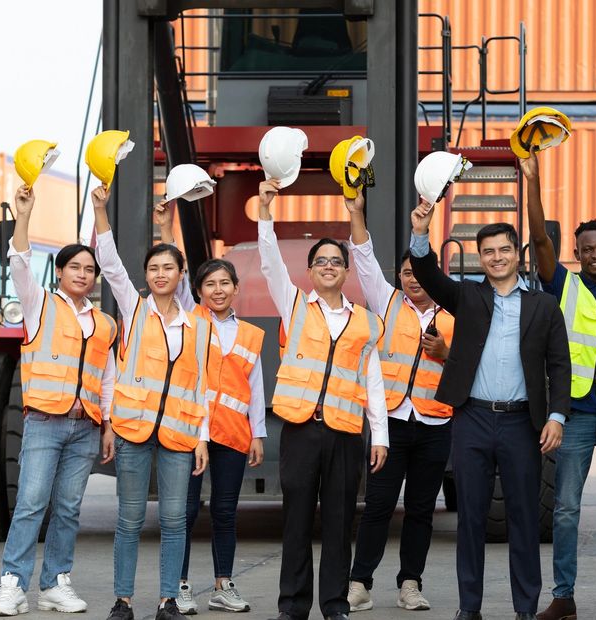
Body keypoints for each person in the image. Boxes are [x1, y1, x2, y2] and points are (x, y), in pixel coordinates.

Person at [408, 198, 569, 620]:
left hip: (522, 423)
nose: (496, 258)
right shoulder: (467, 297)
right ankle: (470, 608)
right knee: (471, 521)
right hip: (473, 419)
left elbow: (560, 365)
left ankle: (524, 610)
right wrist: (420, 233)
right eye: (488, 252)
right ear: (480, 258)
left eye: (504, 250)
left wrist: (556, 415)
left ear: (517, 254)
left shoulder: (544, 306)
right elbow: (427, 273)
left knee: (523, 521)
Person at [520, 152, 596, 620]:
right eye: (588, 248)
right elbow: (536, 238)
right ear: (577, 253)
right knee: (566, 510)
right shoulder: (563, 286)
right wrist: (532, 182)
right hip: (571, 415)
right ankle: (564, 597)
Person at [256, 180, 389, 620]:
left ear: (346, 272)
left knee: (338, 523)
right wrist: (266, 214)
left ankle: (334, 606)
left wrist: (380, 437)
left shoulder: (366, 322)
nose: (329, 266)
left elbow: (372, 380)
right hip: (301, 430)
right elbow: (271, 263)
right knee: (296, 522)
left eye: (337, 261)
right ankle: (292, 606)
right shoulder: (294, 306)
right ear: (310, 271)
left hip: (346, 434)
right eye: (321, 261)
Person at [0, 185, 118, 617]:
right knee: (31, 503)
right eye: (74, 267)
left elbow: (108, 377)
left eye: (89, 269)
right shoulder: (37, 304)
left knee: (68, 509)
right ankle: (12, 584)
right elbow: (20, 264)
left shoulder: (105, 323)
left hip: (86, 427)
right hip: (45, 422)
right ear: (60, 272)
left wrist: (109, 425)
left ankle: (55, 583)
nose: (83, 274)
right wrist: (24, 217)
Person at [92, 185, 219, 620]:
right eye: (153, 268)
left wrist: (201, 439)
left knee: (175, 522)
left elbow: (200, 385)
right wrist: (99, 209)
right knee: (128, 521)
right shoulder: (134, 309)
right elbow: (109, 264)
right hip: (132, 431)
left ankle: (168, 600)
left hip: (180, 435)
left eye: (169, 267)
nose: (160, 274)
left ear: (182, 275)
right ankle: (123, 601)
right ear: (146, 276)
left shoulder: (197, 325)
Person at [342, 191, 453, 613]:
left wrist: (446, 354)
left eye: (419, 273)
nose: (412, 279)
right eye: (406, 273)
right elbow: (364, 254)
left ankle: (410, 583)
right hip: (390, 424)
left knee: (422, 509)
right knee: (378, 507)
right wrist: (356, 212)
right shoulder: (386, 300)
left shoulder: (455, 314)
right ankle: (359, 582)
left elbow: (468, 364)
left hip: (435, 425)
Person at [153, 203, 266, 615]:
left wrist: (259, 434)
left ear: (236, 288)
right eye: (210, 284)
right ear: (197, 291)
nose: (217, 290)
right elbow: (173, 275)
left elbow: (254, 387)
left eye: (225, 283)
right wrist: (166, 227)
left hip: (234, 436)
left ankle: (223, 584)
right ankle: (179, 585)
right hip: (190, 432)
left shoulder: (252, 335)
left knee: (224, 511)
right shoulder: (191, 319)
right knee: (181, 511)